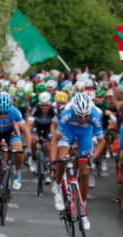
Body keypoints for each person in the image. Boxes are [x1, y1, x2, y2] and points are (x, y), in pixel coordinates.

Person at [50, 92, 105, 230]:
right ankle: (57, 190)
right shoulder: (67, 113)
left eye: (86, 115)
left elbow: (101, 142)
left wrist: (92, 158)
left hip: (85, 134)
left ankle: (82, 208)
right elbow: (55, 139)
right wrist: (52, 162)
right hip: (68, 132)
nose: (83, 118)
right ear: (75, 111)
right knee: (62, 160)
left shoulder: (94, 115)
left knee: (84, 173)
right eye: (80, 116)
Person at [0, 92, 30, 214]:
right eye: (0, 112)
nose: (3, 115)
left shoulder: (14, 111)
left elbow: (25, 129)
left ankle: (17, 174)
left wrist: (28, 147)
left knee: (18, 151)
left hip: (9, 132)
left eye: (5, 113)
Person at [27, 92, 56, 184]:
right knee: (34, 140)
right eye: (42, 105)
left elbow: (57, 125)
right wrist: (27, 133)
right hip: (38, 125)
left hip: (49, 127)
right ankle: (34, 158)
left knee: (48, 146)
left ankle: (49, 169)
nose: (44, 107)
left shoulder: (53, 110)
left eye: (46, 105)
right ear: (39, 104)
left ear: (50, 103)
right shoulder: (36, 108)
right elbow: (29, 124)